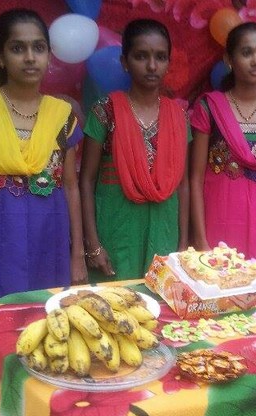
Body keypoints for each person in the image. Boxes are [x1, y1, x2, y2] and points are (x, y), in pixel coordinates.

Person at [0, 8, 86, 405]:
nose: (29, 57)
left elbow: (71, 186)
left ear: (49, 55)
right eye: (18, 48)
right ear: (0, 55)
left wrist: (77, 255)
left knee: (49, 327)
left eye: (38, 48)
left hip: (49, 242)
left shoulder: (62, 115)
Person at [80, 19, 189, 281]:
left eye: (160, 57)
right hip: (116, 234)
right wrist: (93, 245)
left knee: (161, 303)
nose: (152, 66)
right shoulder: (105, 111)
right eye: (141, 56)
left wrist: (183, 245)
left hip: (164, 234)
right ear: (124, 62)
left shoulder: (179, 116)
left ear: (168, 62)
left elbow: (183, 184)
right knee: (116, 303)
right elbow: (86, 181)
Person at [189, 22, 256, 264]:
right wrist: (200, 240)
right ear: (229, 59)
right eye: (247, 53)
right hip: (219, 223)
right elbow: (195, 178)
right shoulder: (209, 107)